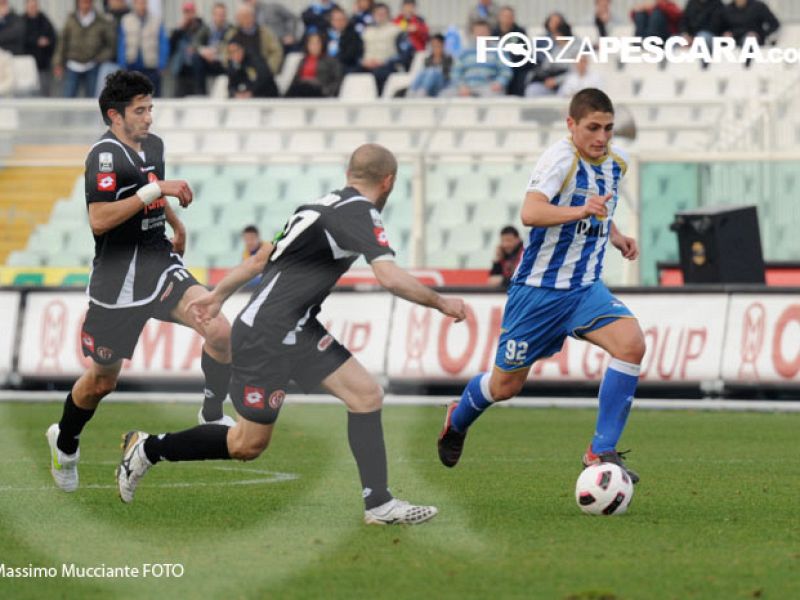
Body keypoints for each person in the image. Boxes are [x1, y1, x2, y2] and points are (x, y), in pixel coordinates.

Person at [115, 144, 468, 526]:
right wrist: (440, 301)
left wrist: (220, 294)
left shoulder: (316, 206)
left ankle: (378, 504)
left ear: (349, 173)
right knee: (246, 444)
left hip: (295, 327)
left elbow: (261, 258)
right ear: (389, 182)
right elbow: (388, 275)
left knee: (365, 395)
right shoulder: (361, 212)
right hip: (270, 333)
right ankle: (148, 449)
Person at [438, 89, 646, 486]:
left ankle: (599, 450)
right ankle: (457, 420)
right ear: (571, 125)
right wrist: (581, 211)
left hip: (585, 289)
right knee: (504, 386)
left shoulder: (616, 163)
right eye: (592, 128)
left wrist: (615, 234)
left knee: (631, 343)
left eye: (608, 128)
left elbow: (600, 205)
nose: (601, 137)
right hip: (538, 293)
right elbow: (531, 212)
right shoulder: (559, 159)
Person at [45, 70, 235, 495]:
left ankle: (212, 414)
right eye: (140, 110)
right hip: (117, 283)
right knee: (101, 382)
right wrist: (157, 193)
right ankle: (65, 441)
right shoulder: (104, 156)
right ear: (115, 115)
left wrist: (174, 221)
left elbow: (151, 188)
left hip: (158, 262)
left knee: (218, 326)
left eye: (150, 108)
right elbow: (100, 219)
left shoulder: (155, 145)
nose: (149, 117)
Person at [53, 0, 117, 98]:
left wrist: (99, 58)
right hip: (72, 65)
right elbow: (62, 42)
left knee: (92, 98)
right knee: (68, 97)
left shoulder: (101, 20)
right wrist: (58, 63)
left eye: (88, 2)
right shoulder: (71, 19)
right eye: (83, 2)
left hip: (92, 66)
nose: (85, 5)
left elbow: (110, 45)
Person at [443, 19, 511, 97]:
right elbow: (455, 72)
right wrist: (461, 86)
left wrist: (499, 83)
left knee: (493, 96)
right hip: (467, 87)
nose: (480, 34)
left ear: (489, 33)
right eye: (478, 32)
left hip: (489, 87)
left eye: (483, 32)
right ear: (473, 34)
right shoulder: (465, 51)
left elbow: (506, 72)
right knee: (445, 95)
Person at [118, 0, 169, 96]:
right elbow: (121, 44)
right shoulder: (126, 20)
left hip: (151, 67)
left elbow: (163, 43)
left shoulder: (157, 21)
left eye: (143, 2)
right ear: (134, 4)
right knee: (132, 98)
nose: (141, 5)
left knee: (153, 98)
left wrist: (162, 64)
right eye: (139, 3)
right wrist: (122, 63)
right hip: (131, 66)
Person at [229, 2, 283, 80]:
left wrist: (269, 68)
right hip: (240, 73)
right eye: (241, 17)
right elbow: (226, 52)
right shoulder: (232, 34)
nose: (244, 19)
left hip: (263, 72)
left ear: (253, 17)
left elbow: (277, 51)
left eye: (246, 16)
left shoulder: (265, 33)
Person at [191, 1, 234, 96]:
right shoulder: (206, 28)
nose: (220, 17)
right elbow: (195, 42)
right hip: (209, 61)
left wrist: (220, 53)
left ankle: (231, 92)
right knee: (196, 58)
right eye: (218, 15)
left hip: (224, 62)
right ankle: (200, 93)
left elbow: (234, 46)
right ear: (213, 15)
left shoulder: (231, 29)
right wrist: (204, 51)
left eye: (223, 15)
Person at [168, 1, 209, 97]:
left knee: (198, 99)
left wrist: (195, 48)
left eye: (190, 11)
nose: (188, 15)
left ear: (194, 12)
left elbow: (204, 44)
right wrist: (179, 30)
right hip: (182, 70)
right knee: (178, 99)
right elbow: (171, 46)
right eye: (186, 12)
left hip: (197, 71)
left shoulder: (202, 27)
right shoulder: (179, 30)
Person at [285, 31, 342, 97]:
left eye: (317, 43)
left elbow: (337, 81)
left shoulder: (332, 61)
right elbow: (295, 80)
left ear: (322, 44)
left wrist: (326, 91)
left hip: (319, 90)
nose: (314, 46)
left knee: (307, 87)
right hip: (301, 90)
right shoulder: (303, 61)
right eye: (312, 43)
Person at [22, 0, 57, 96]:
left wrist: (47, 42)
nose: (33, 8)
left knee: (44, 93)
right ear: (26, 6)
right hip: (26, 67)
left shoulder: (44, 20)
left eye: (35, 5)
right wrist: (36, 41)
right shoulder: (21, 21)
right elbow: (21, 39)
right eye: (31, 6)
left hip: (43, 65)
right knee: (27, 94)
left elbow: (53, 38)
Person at [407, 32, 451, 97]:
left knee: (432, 71)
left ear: (442, 45)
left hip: (441, 84)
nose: (435, 48)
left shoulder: (448, 59)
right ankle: (412, 91)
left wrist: (436, 71)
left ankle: (422, 91)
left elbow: (447, 76)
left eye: (437, 45)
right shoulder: (428, 59)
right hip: (430, 86)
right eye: (433, 45)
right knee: (422, 72)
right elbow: (424, 75)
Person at [327, 6, 362, 73]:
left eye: (342, 19)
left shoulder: (353, 35)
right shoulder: (325, 35)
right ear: (331, 21)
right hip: (325, 65)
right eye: (336, 20)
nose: (339, 22)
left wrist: (331, 62)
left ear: (347, 21)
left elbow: (349, 55)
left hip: (344, 66)